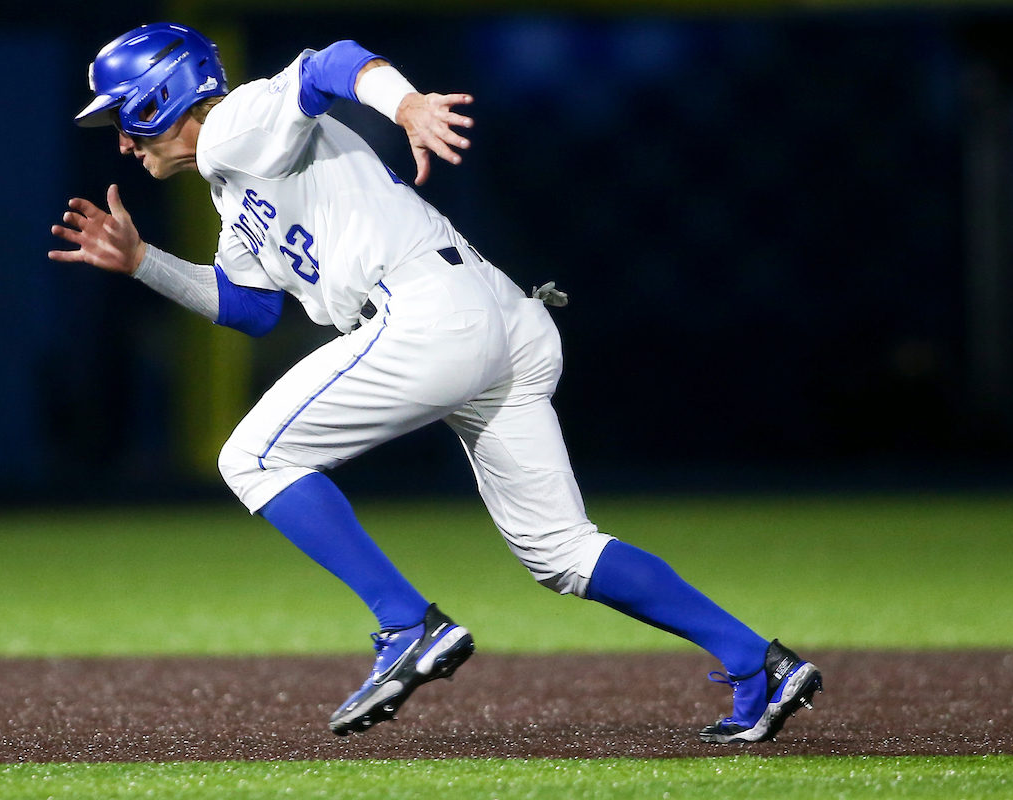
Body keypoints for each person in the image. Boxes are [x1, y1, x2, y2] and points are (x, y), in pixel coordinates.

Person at [49, 22, 822, 743]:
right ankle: (758, 661)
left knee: (252, 459)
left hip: (428, 311)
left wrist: (408, 102)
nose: (119, 140)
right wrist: (144, 262)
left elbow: (332, 63)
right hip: (494, 318)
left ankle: (404, 624)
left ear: (162, 97)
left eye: (125, 116)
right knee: (559, 550)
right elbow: (248, 308)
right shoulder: (231, 175)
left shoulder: (233, 125)